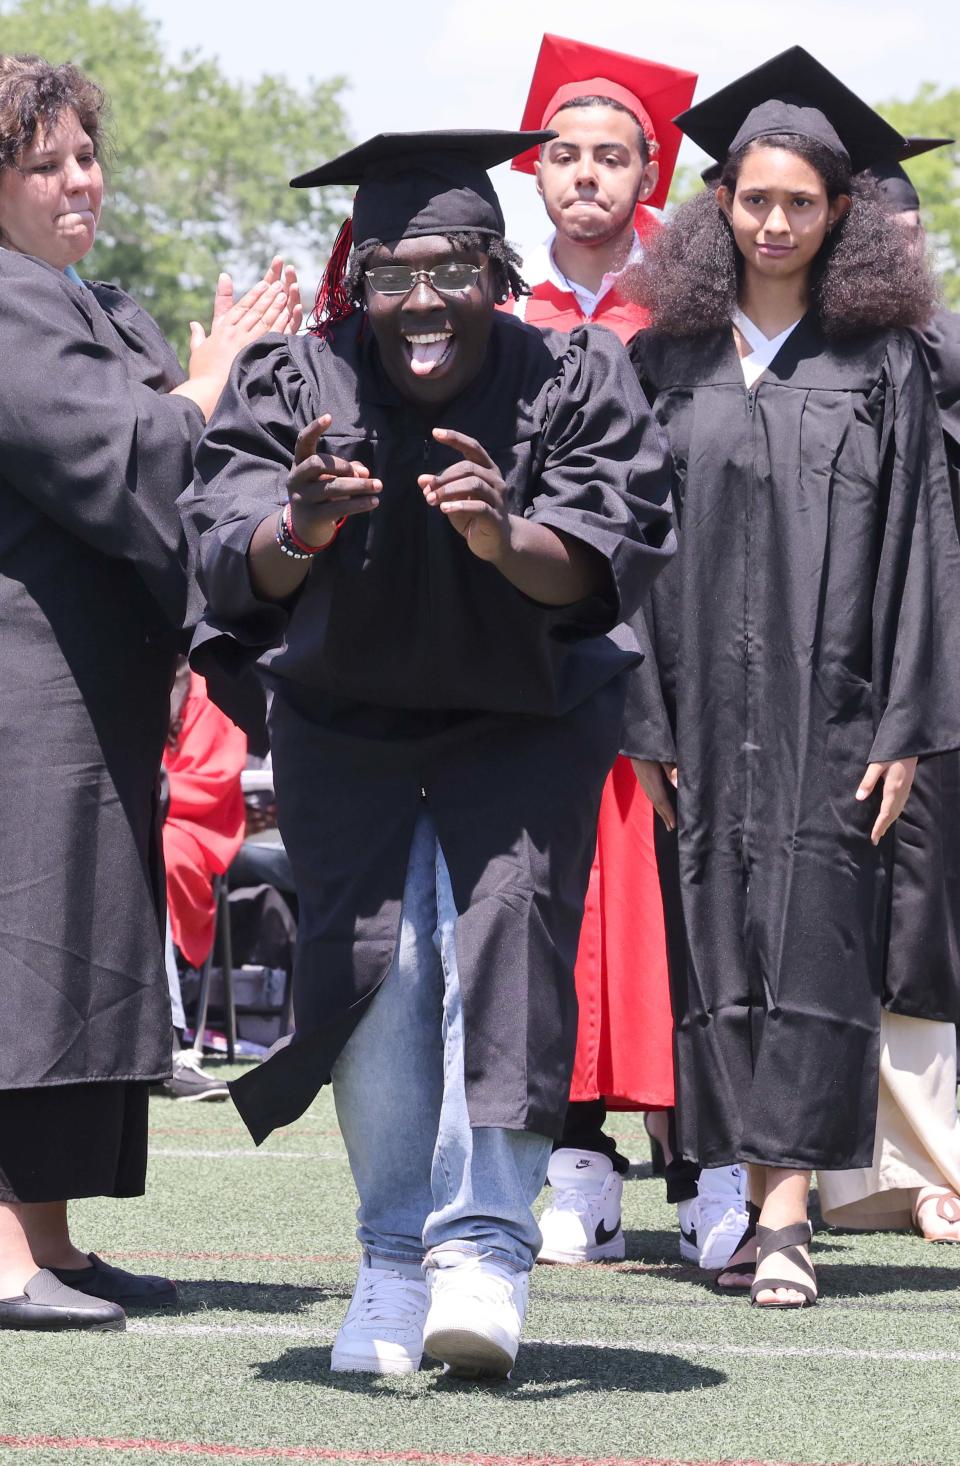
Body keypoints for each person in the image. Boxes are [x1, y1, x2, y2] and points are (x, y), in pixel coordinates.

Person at [180, 127, 674, 1377]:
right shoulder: (298, 381)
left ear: (495, 269)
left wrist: (507, 541)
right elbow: (229, 555)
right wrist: (298, 527)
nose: (419, 302)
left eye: (448, 268)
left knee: (499, 945)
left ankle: (488, 1249)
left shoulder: (570, 373)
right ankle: (393, 1258)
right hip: (348, 722)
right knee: (381, 970)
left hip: (522, 719)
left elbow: (609, 557)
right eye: (391, 273)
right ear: (360, 283)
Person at [627, 46, 960, 1309]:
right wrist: (643, 718)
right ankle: (737, 1193)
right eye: (754, 199)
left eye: (801, 203)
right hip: (701, 711)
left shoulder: (885, 364)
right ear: (722, 206)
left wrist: (912, 725)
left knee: (820, 940)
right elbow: (629, 552)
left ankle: (785, 1216)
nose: (774, 222)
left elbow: (926, 552)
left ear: (840, 214)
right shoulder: (666, 358)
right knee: (718, 934)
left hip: (836, 711)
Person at [0, 54, 300, 1331]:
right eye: (45, 161)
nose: (81, 180)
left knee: (68, 956)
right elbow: (114, 454)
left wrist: (204, 390)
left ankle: (52, 1241)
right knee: (18, 958)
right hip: (22, 688)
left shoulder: (66, 296)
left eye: (85, 155)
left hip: (93, 687)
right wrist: (208, 380)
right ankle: (2, 1253)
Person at [509, 34, 744, 1272]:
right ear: (535, 171)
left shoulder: (695, 312)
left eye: (612, 156)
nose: (587, 175)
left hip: (687, 653)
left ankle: (707, 1165)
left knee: (684, 904)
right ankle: (574, 1160)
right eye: (566, 155)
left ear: (649, 174)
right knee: (557, 910)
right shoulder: (498, 312)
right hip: (544, 652)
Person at [818, 136, 960, 1240]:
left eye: (904, 235)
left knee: (920, 914)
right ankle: (836, 1171)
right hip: (835, 669)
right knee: (836, 900)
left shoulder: (945, 354)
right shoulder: (812, 360)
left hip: (939, 673)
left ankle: (924, 1162)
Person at [161, 657, 248, 1101]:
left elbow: (217, 777)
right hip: (138, 819)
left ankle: (171, 1044)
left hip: (192, 828)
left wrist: (157, 788)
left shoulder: (206, 687)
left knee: (153, 860)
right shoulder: (127, 674)